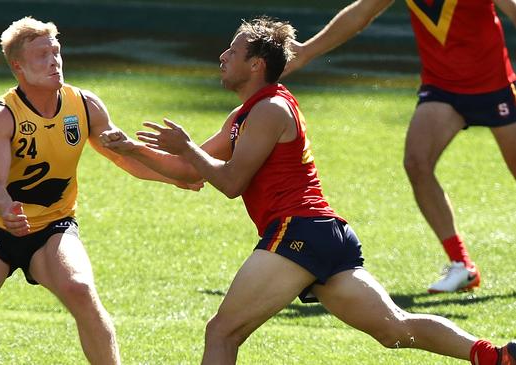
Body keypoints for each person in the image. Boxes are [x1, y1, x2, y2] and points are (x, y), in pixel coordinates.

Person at [101, 17, 516, 365]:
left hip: (297, 232)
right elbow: (188, 172)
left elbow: (227, 183)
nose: (223, 56)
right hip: (322, 234)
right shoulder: (248, 112)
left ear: (257, 64)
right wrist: (130, 149)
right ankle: (494, 357)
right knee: (394, 328)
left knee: (222, 332)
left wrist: (187, 147)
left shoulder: (270, 111)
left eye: (233, 51)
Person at [0, 16, 199, 365]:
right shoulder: (1, 115)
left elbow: (125, 158)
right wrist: (5, 210)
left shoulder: (84, 105)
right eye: (42, 55)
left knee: (81, 291)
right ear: (18, 66)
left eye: (56, 52)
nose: (54, 61)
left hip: (53, 227)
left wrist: (174, 177)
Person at [281, 0, 516, 293]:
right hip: (442, 88)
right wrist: (306, 52)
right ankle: (462, 265)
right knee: (417, 163)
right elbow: (361, 13)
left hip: (494, 88)